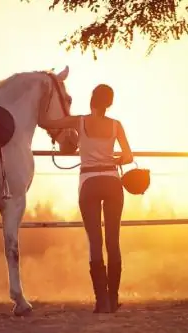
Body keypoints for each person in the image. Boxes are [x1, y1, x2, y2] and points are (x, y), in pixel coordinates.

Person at [40, 83, 133, 313]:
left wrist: (42, 105)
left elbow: (46, 123)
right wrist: (113, 161)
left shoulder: (79, 121)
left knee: (95, 242)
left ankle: (100, 301)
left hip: (89, 183)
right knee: (113, 241)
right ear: (110, 103)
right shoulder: (116, 125)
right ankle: (113, 299)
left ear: (92, 100)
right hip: (112, 183)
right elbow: (129, 156)